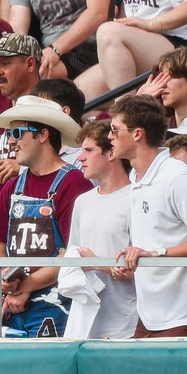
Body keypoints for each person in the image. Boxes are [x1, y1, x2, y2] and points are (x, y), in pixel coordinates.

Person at [108, 93, 187, 336]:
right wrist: (135, 259)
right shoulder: (136, 177)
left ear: (137, 133)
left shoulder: (177, 177)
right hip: (150, 316)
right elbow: (156, 239)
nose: (109, 136)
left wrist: (157, 254)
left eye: (114, 129)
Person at [0, 93, 89, 334]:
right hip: (10, 308)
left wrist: (28, 286)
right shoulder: (11, 186)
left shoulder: (75, 184)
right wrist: (3, 288)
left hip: (58, 308)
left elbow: (75, 254)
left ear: (43, 135)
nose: (10, 142)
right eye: (8, 134)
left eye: (16, 133)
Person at [55, 117, 140, 338]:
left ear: (111, 153)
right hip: (85, 325)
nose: (80, 157)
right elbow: (73, 257)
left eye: (89, 150)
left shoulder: (136, 199)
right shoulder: (82, 201)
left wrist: (96, 264)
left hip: (127, 324)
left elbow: (148, 269)